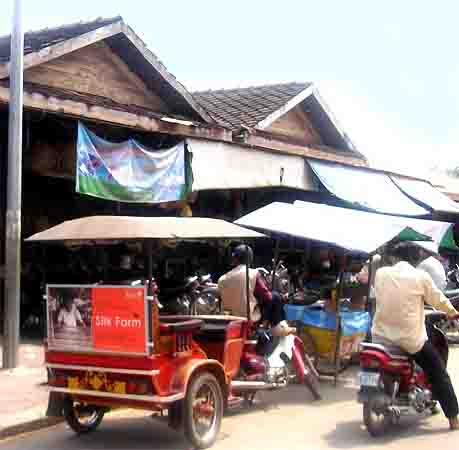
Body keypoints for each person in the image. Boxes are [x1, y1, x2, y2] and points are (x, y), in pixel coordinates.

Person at [372, 242, 459, 430]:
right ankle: (453, 419)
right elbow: (438, 299)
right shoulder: (421, 276)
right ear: (416, 259)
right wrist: (453, 313)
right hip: (409, 340)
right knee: (438, 372)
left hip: (380, 337)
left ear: (394, 257)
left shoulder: (381, 273)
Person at [218, 245, 295, 336]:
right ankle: (278, 327)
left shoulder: (222, 279)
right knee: (275, 296)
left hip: (228, 317)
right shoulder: (253, 273)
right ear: (250, 259)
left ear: (234, 259)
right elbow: (267, 297)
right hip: (248, 317)